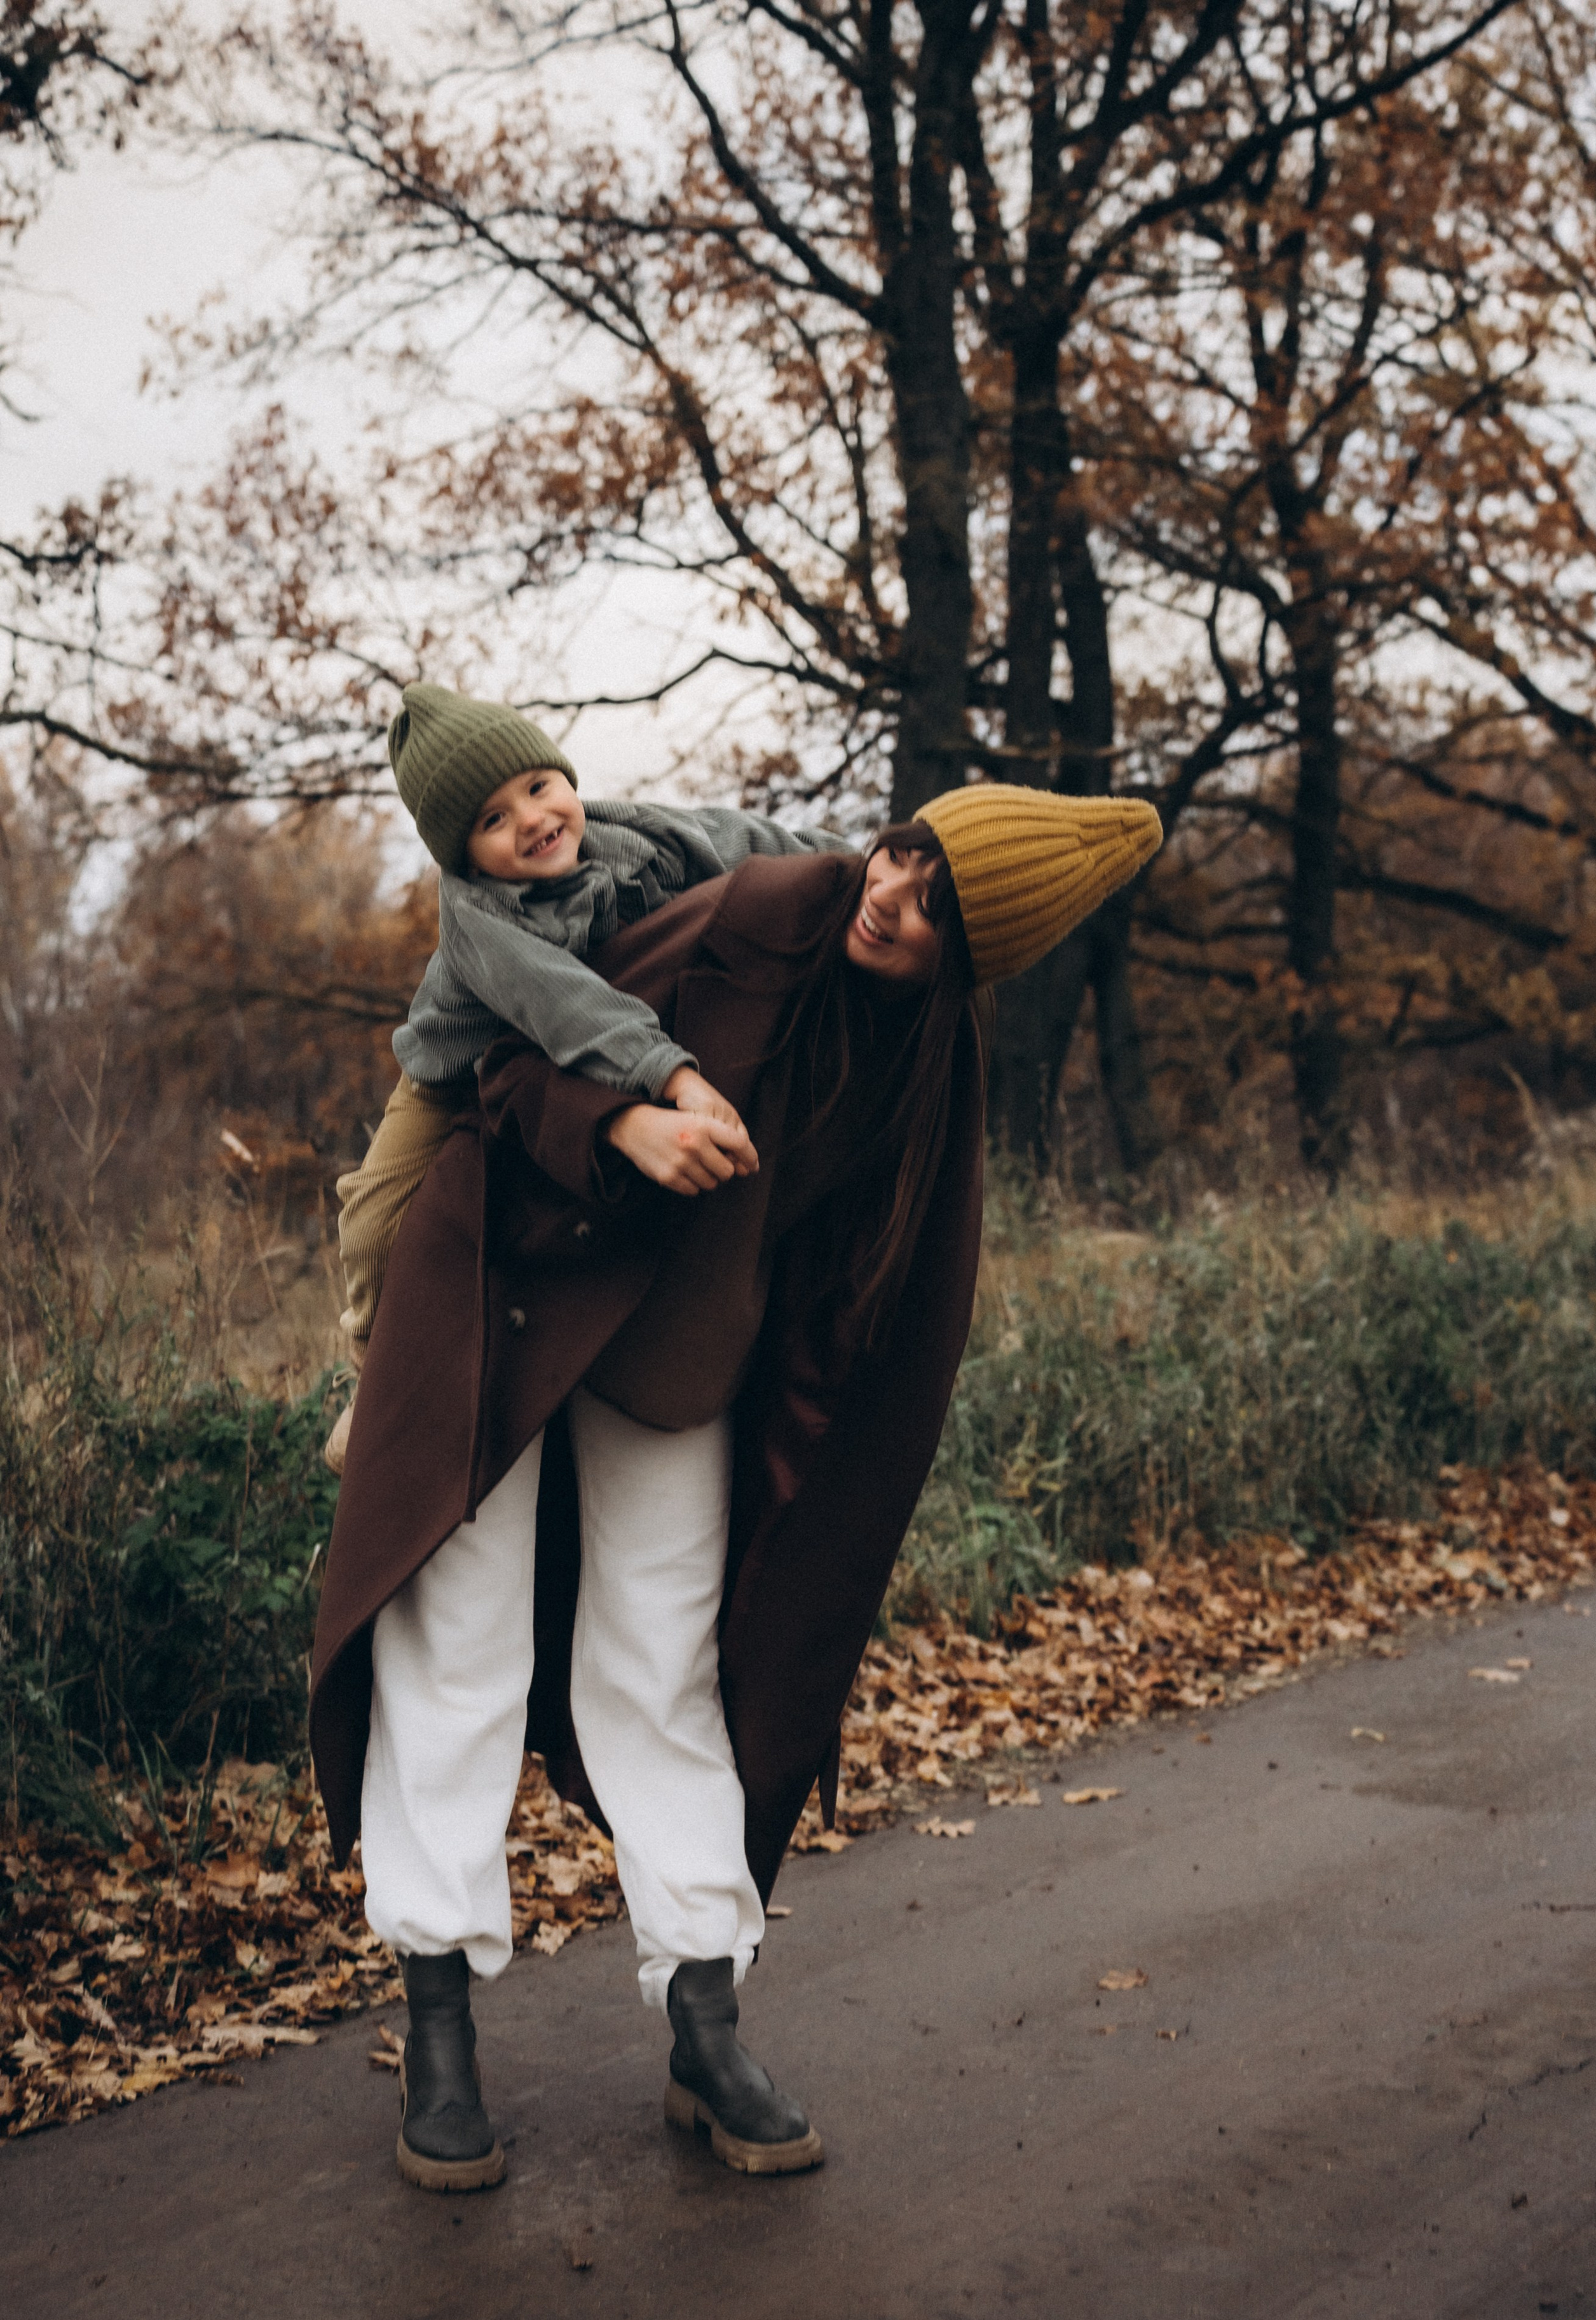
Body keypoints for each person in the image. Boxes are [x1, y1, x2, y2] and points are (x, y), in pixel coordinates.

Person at [308, 779, 1162, 2192]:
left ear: (972, 960)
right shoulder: (754, 916)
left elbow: (881, 1299)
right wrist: (631, 1120)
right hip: (501, 1297)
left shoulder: (923, 1070)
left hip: (677, 1361)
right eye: (905, 856)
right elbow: (508, 1064)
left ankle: (704, 2023)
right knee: (456, 1650)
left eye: (937, 905)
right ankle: (440, 2023)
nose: (893, 897)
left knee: (664, 1669)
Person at [325, 680, 847, 1469]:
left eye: (538, 788)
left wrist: (855, 863)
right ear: (463, 854)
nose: (531, 820)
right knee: (369, 1228)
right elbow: (563, 1003)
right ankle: (374, 1370)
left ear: (565, 780)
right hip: (453, 1080)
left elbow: (743, 840)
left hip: (570, 1071)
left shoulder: (633, 836)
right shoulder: (477, 918)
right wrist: (672, 1076)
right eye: (492, 821)